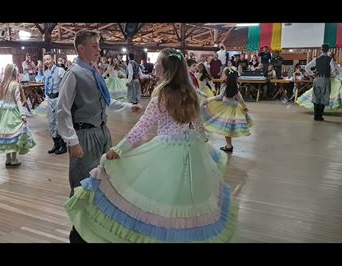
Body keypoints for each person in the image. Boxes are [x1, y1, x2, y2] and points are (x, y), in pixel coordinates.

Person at [64, 48, 236, 243]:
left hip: (167, 150)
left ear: (167, 69)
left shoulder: (161, 96)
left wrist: (119, 148)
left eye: (158, 64)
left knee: (165, 197)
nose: (154, 66)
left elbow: (142, 127)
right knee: (184, 197)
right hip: (191, 148)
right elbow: (198, 127)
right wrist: (201, 146)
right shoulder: (192, 93)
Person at [56, 30, 142, 243]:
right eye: (94, 46)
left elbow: (106, 100)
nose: (98, 50)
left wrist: (128, 106)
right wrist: (72, 141)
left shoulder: (93, 72)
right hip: (84, 135)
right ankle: (77, 233)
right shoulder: (74, 73)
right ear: (81, 48)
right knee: (81, 184)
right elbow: (62, 110)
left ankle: (92, 226)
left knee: (100, 180)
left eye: (98, 45)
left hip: (102, 132)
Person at [0, 64, 36, 166]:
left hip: (4, 112)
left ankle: (8, 159)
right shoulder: (15, 84)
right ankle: (14, 159)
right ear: (15, 73)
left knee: (6, 135)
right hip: (13, 111)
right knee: (15, 135)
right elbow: (18, 100)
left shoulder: (3, 84)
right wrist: (23, 114)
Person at [201, 68, 253, 152]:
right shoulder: (235, 86)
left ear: (227, 77)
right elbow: (240, 98)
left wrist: (209, 100)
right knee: (228, 128)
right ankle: (229, 145)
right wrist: (244, 106)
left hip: (227, 108)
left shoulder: (225, 86)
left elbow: (220, 97)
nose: (221, 76)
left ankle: (229, 145)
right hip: (235, 107)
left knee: (225, 127)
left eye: (223, 75)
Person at [304, 43, 337, 121]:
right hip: (325, 79)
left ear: (321, 50)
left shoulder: (316, 59)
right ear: (328, 50)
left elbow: (307, 67)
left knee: (316, 96)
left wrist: (312, 74)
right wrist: (332, 75)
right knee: (324, 97)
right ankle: (320, 116)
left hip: (317, 79)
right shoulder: (330, 59)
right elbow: (334, 71)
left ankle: (316, 116)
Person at [43, 52, 67, 155]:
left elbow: (66, 83)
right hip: (50, 98)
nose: (46, 61)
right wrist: (46, 97)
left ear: (53, 59)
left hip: (58, 98)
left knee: (59, 121)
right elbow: (46, 85)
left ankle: (63, 145)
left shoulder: (60, 70)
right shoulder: (46, 73)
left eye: (48, 59)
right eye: (45, 60)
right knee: (51, 121)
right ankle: (56, 143)